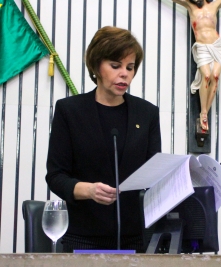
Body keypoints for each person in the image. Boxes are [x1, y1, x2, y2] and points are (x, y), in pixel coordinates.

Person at [45, 26, 161, 252]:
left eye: (130, 67)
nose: (124, 74)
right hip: (83, 237)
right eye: (115, 66)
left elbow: (154, 173)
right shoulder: (70, 111)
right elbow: (56, 176)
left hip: (138, 238)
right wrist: (88, 190)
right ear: (96, 66)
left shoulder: (147, 113)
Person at [172, 0, 221, 131]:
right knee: (207, 75)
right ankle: (203, 111)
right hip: (202, 47)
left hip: (216, 45)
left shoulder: (215, 4)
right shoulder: (190, 6)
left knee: (215, 76)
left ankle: (205, 113)